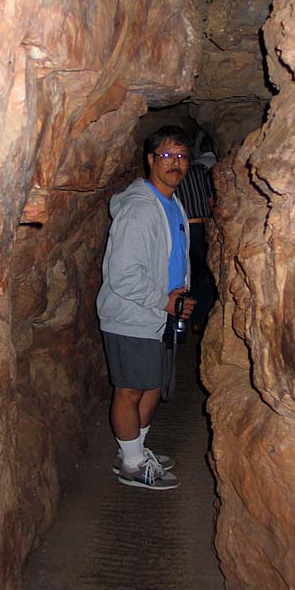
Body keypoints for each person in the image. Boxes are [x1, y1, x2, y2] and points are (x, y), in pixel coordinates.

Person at [96, 125, 196, 490]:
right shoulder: (140, 209)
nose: (176, 164)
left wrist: (176, 297)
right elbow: (122, 275)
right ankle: (132, 465)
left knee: (151, 386)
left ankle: (134, 450)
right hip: (132, 314)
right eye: (167, 156)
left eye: (182, 157)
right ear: (151, 160)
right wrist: (164, 300)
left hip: (158, 314)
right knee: (130, 390)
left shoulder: (170, 202)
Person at [174, 156, 216, 335]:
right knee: (202, 274)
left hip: (180, 227)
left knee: (183, 273)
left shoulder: (173, 174)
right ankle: (197, 319)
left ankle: (179, 321)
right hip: (199, 226)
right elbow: (211, 201)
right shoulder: (200, 171)